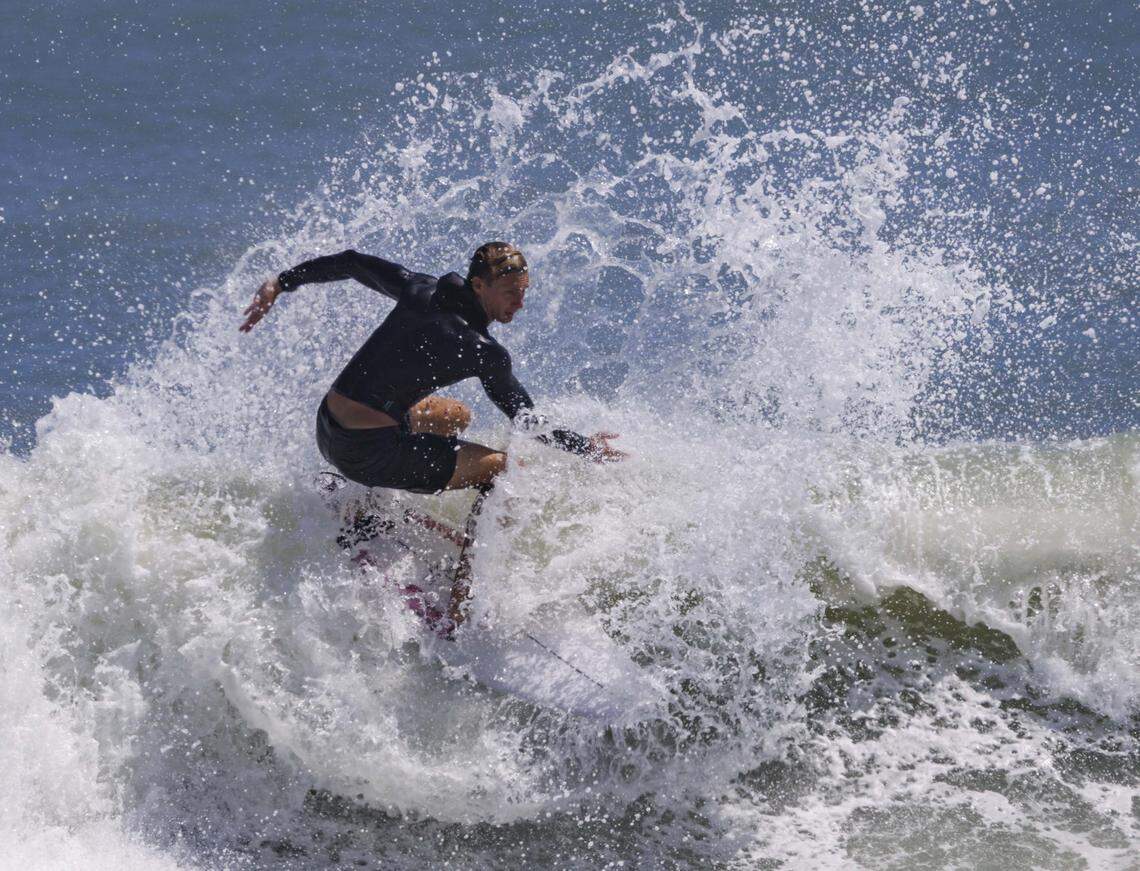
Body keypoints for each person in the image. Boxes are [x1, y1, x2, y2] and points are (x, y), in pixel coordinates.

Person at [239, 242, 625, 628]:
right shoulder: (482, 351)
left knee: (456, 415)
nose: (519, 303)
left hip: (328, 427)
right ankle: (461, 607)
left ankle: (365, 501)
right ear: (478, 285)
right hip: (367, 453)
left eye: (523, 292)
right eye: (510, 293)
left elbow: (353, 263)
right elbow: (526, 420)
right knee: (503, 470)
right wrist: (587, 447)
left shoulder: (420, 290)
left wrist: (280, 283)